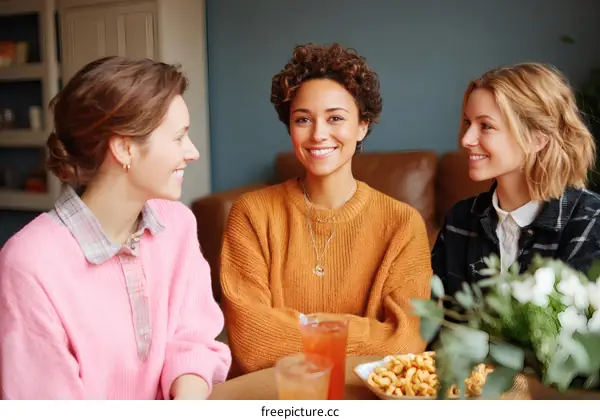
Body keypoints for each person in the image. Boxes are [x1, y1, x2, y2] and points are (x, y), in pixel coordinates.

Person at [0, 56, 231, 399]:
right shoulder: (29, 264)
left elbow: (191, 338)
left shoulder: (176, 223)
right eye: (179, 137)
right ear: (124, 148)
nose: (192, 151)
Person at [219, 43, 433, 375]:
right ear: (289, 127)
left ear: (362, 126)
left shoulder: (403, 224)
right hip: (278, 400)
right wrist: (361, 334)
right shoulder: (252, 214)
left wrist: (302, 328)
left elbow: (404, 344)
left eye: (335, 118)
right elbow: (252, 341)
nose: (318, 134)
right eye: (303, 119)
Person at [432, 62, 600, 298]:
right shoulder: (459, 221)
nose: (466, 139)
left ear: (537, 139)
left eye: (486, 126)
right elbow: (439, 319)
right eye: (468, 123)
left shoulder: (590, 220)